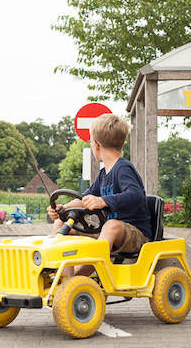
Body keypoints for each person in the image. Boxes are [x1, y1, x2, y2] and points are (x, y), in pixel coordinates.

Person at [47, 113, 151, 276]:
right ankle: (68, 282)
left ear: (95, 145)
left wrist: (103, 200)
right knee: (61, 224)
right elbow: (84, 199)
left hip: (136, 234)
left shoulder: (123, 168)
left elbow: (135, 195)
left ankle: (81, 280)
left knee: (111, 225)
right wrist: (62, 209)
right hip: (107, 232)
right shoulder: (103, 174)